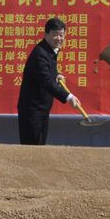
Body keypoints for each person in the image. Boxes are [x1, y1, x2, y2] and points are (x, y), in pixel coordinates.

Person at [17, 17, 81, 145]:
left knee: (40, 147)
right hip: (32, 110)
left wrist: (56, 75)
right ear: (46, 34)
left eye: (61, 35)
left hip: (42, 109)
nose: (59, 38)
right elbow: (46, 81)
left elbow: (46, 73)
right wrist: (69, 97)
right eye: (55, 35)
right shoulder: (40, 53)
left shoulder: (49, 51)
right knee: (31, 149)